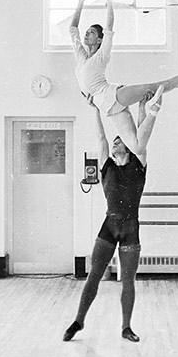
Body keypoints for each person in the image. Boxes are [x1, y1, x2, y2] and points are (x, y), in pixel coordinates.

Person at [66, 0, 178, 156]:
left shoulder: (101, 55)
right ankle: (149, 109)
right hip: (108, 109)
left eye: (91, 32)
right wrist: (80, 2)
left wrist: (109, 3)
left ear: (99, 40)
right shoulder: (81, 58)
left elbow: (109, 27)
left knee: (163, 85)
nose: (86, 33)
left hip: (114, 96)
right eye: (87, 31)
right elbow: (72, 28)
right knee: (137, 148)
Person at [63, 90, 162, 343]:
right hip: (109, 227)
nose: (116, 142)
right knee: (94, 275)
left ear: (128, 147)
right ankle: (78, 321)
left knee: (127, 280)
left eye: (120, 140)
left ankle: (126, 327)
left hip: (130, 229)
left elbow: (140, 136)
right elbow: (100, 137)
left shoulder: (138, 162)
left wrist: (142, 108)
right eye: (115, 140)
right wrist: (95, 109)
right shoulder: (105, 165)